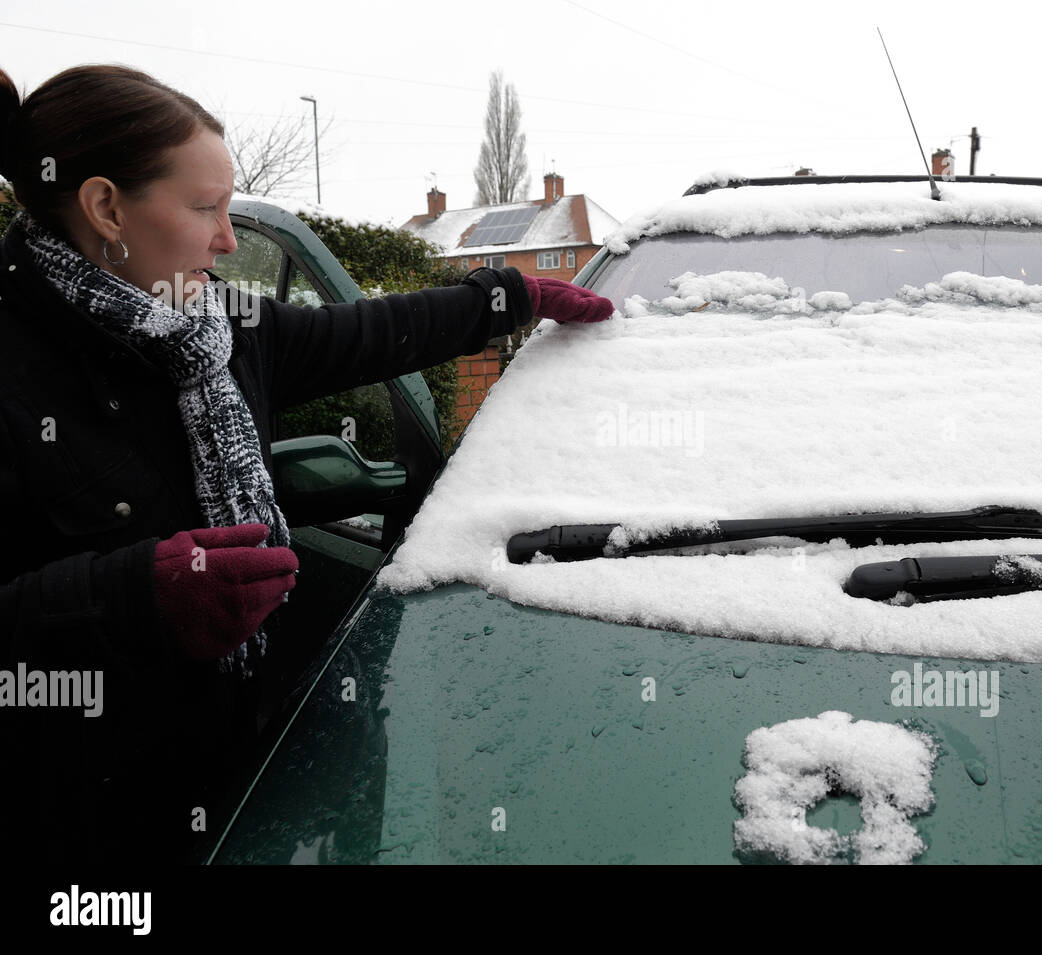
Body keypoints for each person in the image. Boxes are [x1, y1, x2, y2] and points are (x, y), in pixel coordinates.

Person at [0, 63, 613, 865]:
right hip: (78, 826)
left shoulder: (215, 325)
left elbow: (364, 332)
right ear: (106, 206)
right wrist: (130, 597)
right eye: (204, 208)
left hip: (233, 780)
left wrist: (509, 298)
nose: (227, 238)